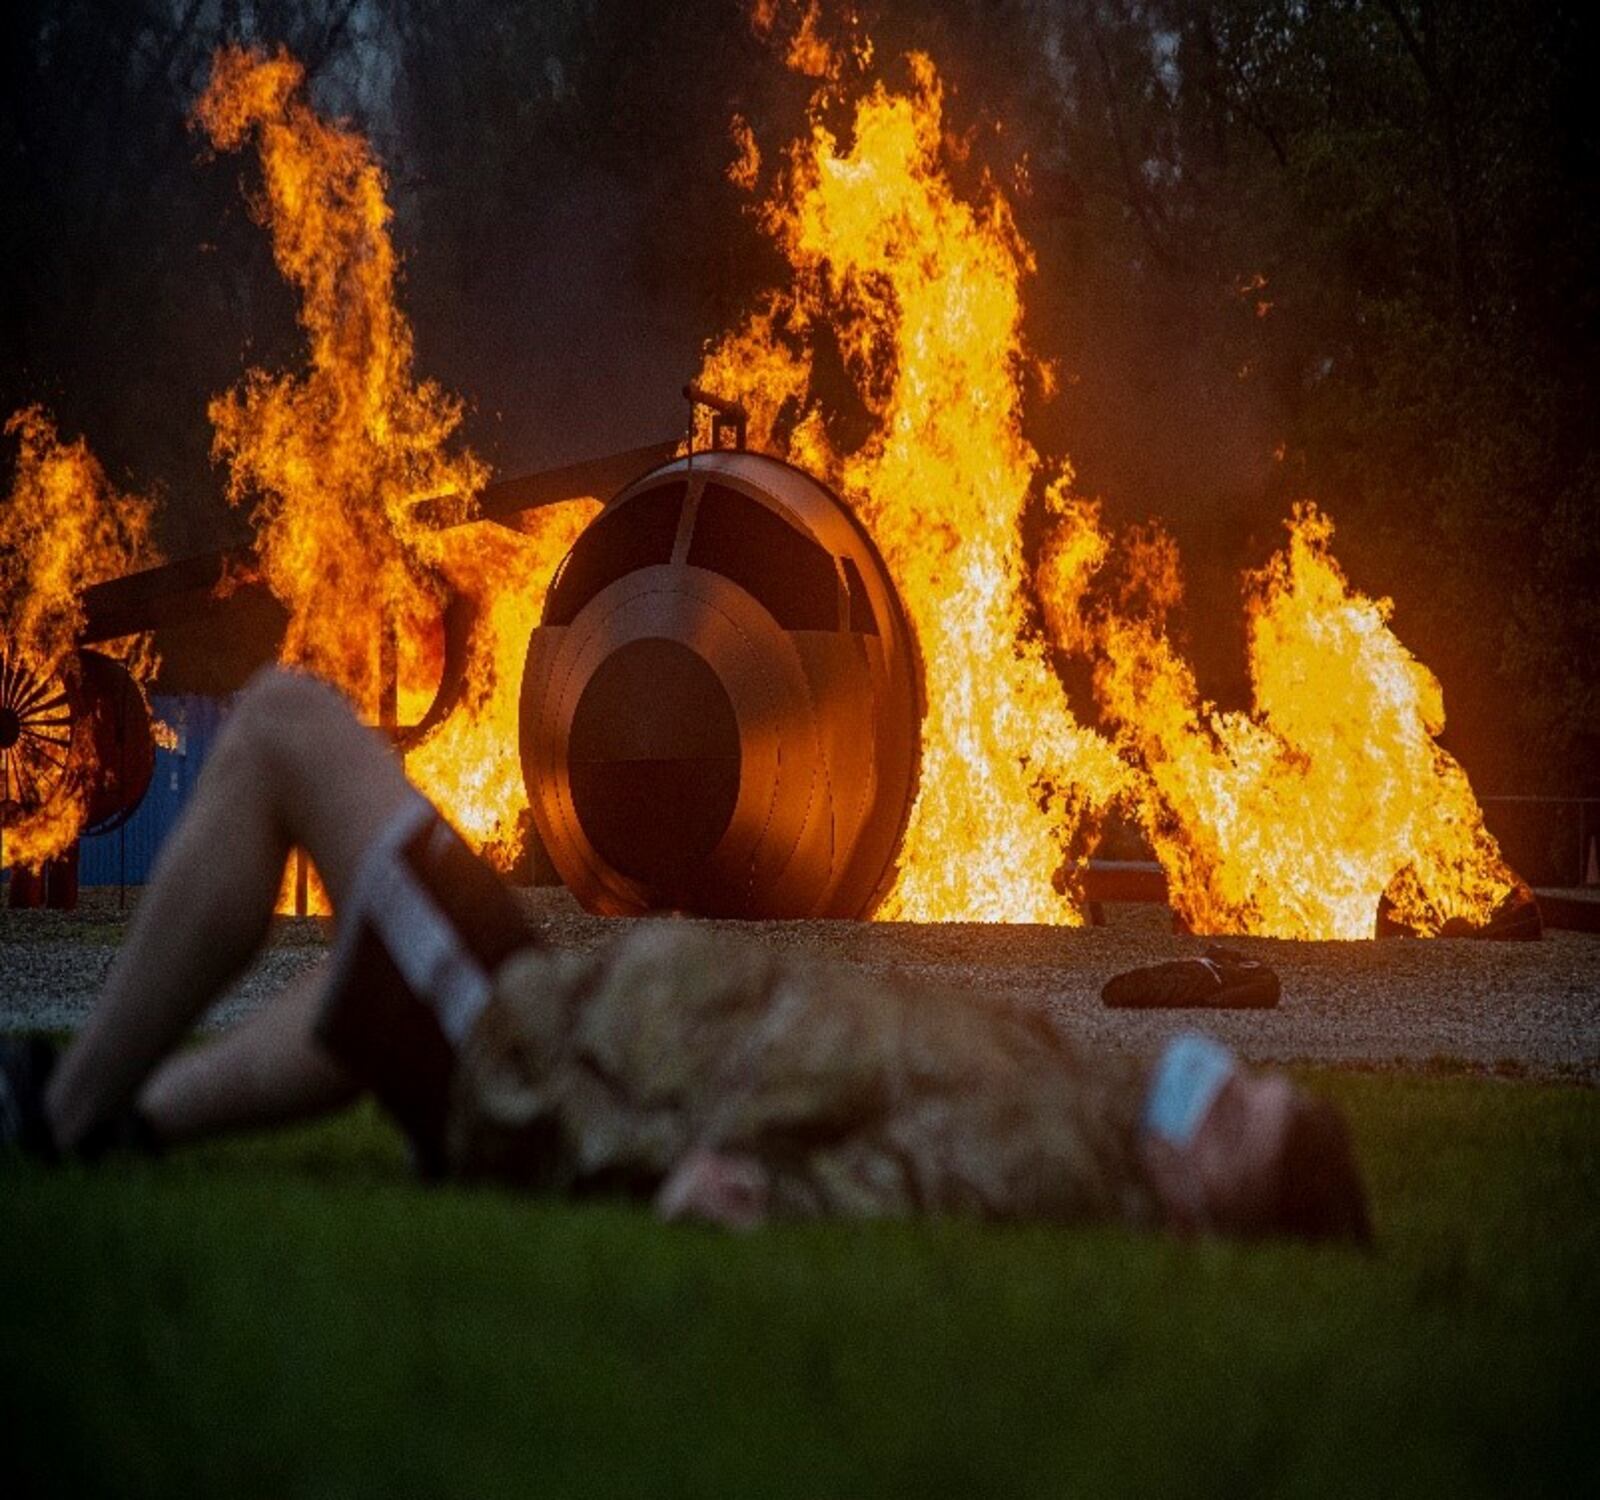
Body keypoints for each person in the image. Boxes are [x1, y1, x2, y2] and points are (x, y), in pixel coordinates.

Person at [0, 670, 1369, 1241]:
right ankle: (123, 1128)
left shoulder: (1061, 1164)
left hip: (562, 1048)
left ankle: (60, 1119)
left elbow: (901, 1175)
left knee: (291, 723)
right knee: (364, 999)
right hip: (587, 1016)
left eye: (1240, 1121)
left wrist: (731, 1192)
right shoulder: (1083, 1117)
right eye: (1253, 1088)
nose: (1224, 1081)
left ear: (1202, 1214)